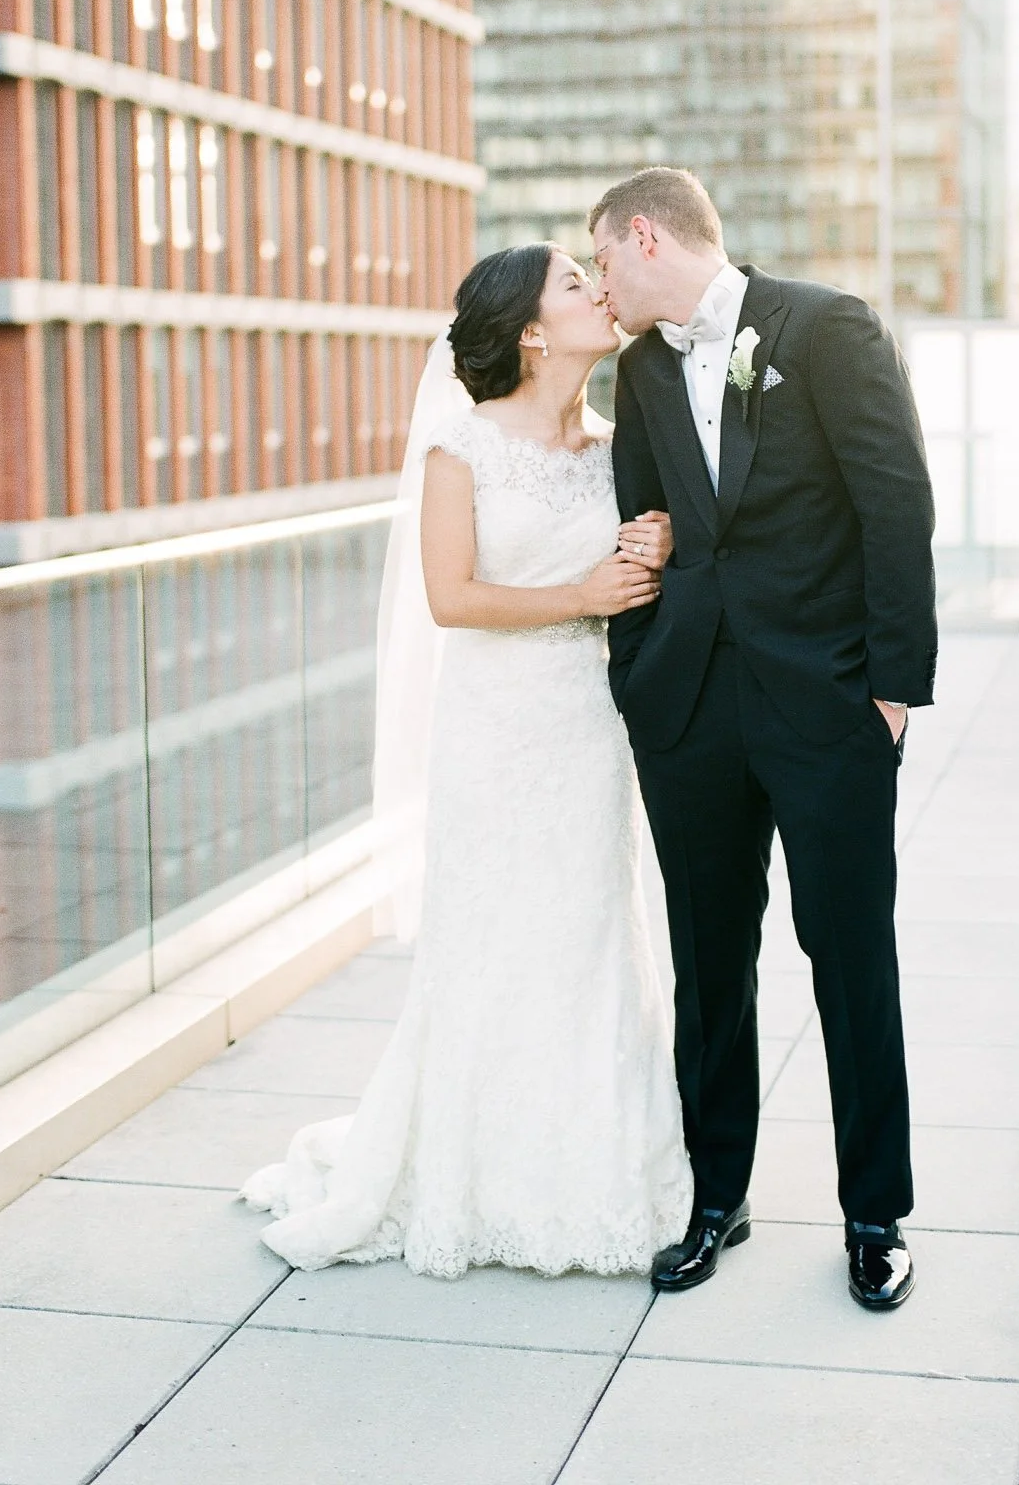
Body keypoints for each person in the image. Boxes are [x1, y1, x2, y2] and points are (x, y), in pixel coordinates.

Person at [241, 244, 693, 1276]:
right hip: (496, 731)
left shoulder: (617, 446)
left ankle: (597, 1169)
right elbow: (453, 599)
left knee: (587, 941)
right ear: (532, 330)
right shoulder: (462, 448)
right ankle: (471, 1174)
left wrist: (651, 547)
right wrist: (580, 596)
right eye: (575, 283)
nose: (598, 291)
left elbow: (626, 573)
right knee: (495, 941)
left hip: (589, 727)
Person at [591, 168, 937, 1309]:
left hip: (827, 705)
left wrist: (890, 693)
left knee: (849, 956)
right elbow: (645, 529)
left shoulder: (825, 328)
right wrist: (636, 676)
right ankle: (715, 1197)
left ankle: (874, 1213)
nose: (600, 284)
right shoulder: (639, 369)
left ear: (644, 237)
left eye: (604, 260)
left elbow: (895, 504)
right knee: (709, 962)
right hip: (689, 708)